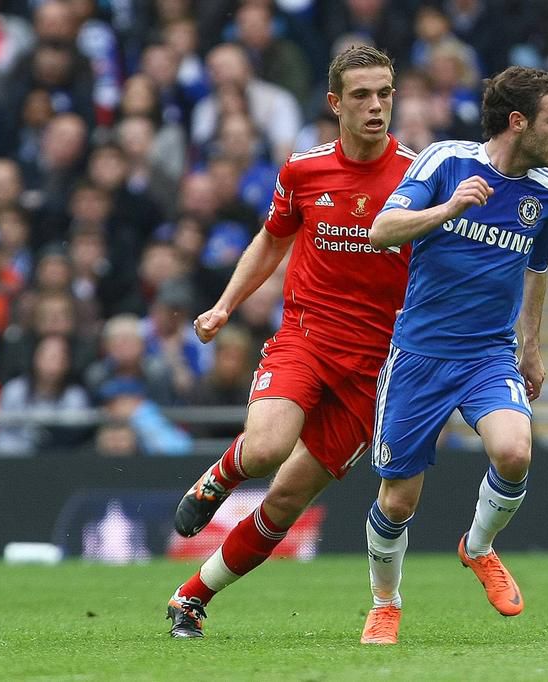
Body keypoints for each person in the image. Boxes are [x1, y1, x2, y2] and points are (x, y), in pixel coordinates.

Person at [165, 45, 417, 638]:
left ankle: (191, 598)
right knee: (266, 448)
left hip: (374, 371)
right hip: (307, 336)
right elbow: (271, 241)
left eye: (384, 93)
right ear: (335, 104)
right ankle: (219, 478)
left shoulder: (418, 175)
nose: (376, 105)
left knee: (285, 499)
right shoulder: (303, 170)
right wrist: (226, 305)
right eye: (361, 95)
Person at [358, 65, 548, 645]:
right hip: (420, 355)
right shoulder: (445, 163)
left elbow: (536, 268)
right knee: (398, 498)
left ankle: (478, 548)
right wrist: (449, 210)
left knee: (514, 451)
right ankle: (385, 604)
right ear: (518, 121)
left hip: (488, 355)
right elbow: (381, 229)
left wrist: (532, 348)